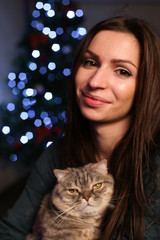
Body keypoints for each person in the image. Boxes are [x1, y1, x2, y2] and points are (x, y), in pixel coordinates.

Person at [0, 16, 159, 240]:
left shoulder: (154, 167)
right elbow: (11, 231)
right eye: (90, 62)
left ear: (147, 86)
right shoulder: (56, 153)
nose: (95, 82)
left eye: (122, 71)